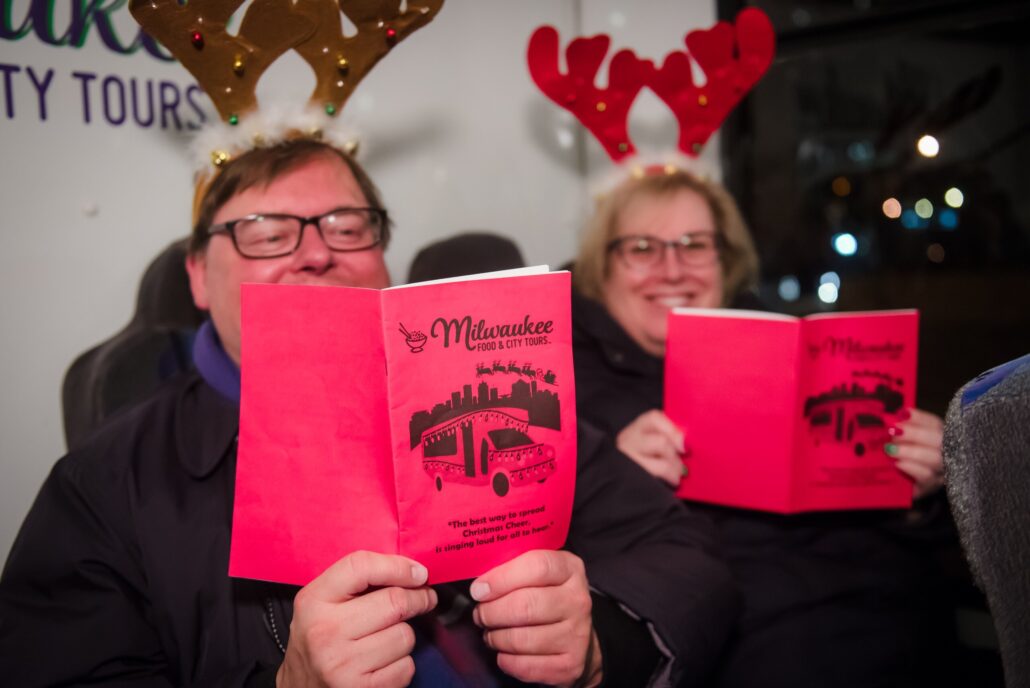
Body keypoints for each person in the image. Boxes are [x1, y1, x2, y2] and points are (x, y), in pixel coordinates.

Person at [0, 139, 738, 688]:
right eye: (264, 232)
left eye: (348, 226)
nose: (316, 254)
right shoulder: (106, 484)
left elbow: (688, 559)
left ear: (384, 255)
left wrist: (602, 637)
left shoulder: (481, 391)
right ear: (197, 275)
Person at [571, 166, 957, 687]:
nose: (672, 269)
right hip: (744, 636)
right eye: (642, 248)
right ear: (605, 266)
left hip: (891, 610)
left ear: (724, 261)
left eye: (695, 245)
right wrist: (616, 478)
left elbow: (932, 545)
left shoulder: (780, 344)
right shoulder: (566, 379)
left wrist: (922, 490)